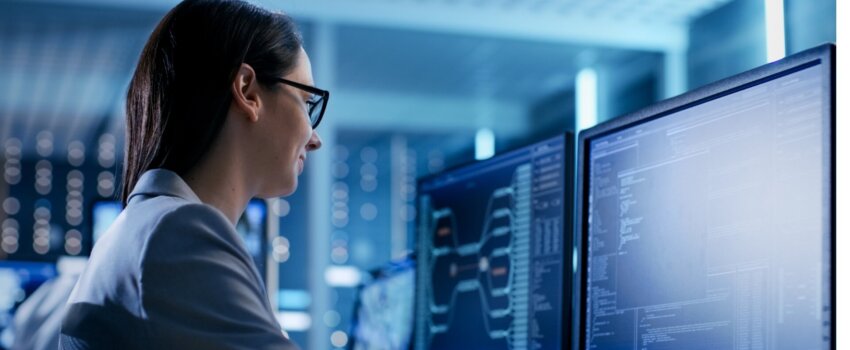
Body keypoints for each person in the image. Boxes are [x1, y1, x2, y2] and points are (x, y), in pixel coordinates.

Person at [59, 0, 324, 348]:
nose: (315, 138)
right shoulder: (179, 233)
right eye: (307, 103)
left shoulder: (144, 228)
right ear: (247, 91)